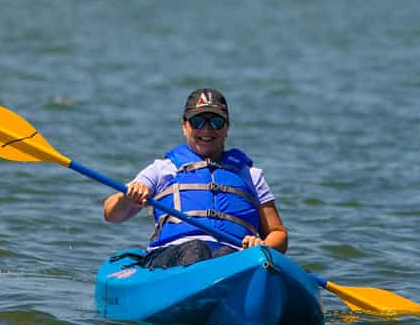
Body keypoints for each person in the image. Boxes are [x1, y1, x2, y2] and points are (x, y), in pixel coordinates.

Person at [102, 88, 289, 269]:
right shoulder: (162, 169)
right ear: (184, 126)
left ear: (227, 128)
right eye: (197, 121)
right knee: (196, 249)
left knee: (226, 254)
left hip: (233, 258)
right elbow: (111, 214)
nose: (206, 129)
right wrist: (127, 197)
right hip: (171, 255)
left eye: (216, 122)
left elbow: (277, 234)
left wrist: (262, 247)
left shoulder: (251, 176)